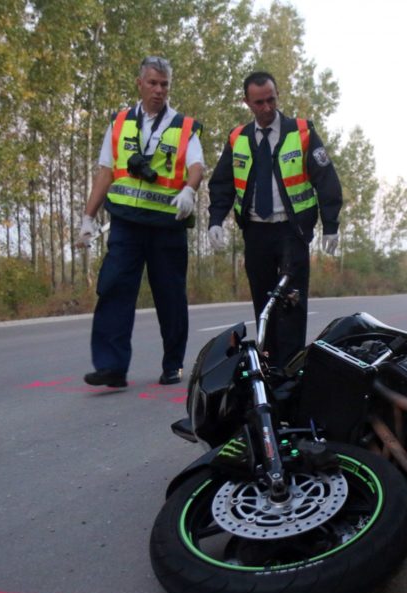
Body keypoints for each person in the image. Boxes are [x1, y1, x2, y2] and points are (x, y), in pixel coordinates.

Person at [75, 56, 205, 388]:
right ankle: (112, 367)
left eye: (164, 85)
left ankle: (173, 364)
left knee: (170, 297)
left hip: (166, 227)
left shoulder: (183, 126)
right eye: (153, 83)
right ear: (140, 83)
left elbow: (196, 166)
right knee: (114, 289)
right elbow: (105, 172)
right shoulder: (119, 123)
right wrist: (88, 218)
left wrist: (189, 191)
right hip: (126, 224)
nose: (159, 90)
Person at [207, 71, 342, 368]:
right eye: (259, 103)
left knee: (291, 303)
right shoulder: (237, 138)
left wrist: (331, 226)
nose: (267, 108)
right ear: (247, 103)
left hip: (291, 232)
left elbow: (326, 178)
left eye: (271, 100)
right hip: (256, 233)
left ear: (277, 95)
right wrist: (215, 220)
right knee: (264, 304)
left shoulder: (302, 133)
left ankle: (291, 368)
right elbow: (222, 184)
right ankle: (269, 365)